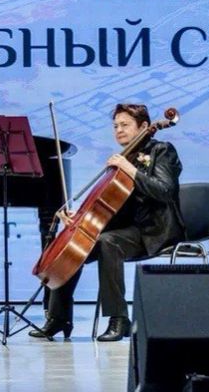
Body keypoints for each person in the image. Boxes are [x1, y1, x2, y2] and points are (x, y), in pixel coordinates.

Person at [30, 103, 185, 342]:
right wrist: (79, 217)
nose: (119, 130)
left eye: (125, 125)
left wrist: (130, 169)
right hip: (129, 230)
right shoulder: (124, 157)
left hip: (155, 231)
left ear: (144, 126)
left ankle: (119, 320)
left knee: (107, 242)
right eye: (115, 126)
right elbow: (112, 205)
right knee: (73, 246)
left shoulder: (162, 151)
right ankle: (58, 318)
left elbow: (165, 191)